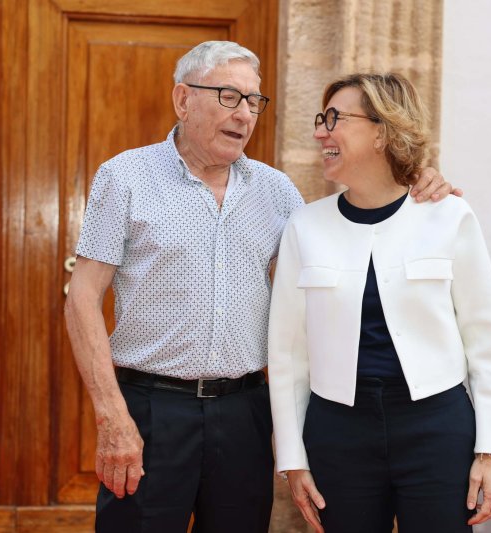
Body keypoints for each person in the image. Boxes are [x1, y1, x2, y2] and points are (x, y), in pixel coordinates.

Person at [65, 42, 453, 533]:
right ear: (183, 100)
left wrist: (416, 179)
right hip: (151, 410)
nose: (245, 114)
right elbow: (82, 297)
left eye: (254, 101)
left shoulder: (277, 191)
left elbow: (343, 241)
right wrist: (111, 416)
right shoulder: (125, 177)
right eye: (229, 96)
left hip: (245, 413)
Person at [268, 72, 491, 533]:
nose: (321, 132)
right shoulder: (305, 226)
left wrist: (490, 452)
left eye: (335, 118)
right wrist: (293, 459)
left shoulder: (448, 216)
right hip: (338, 431)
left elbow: (486, 341)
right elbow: (287, 357)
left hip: (436, 427)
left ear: (382, 131)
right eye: (321, 119)